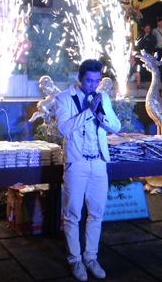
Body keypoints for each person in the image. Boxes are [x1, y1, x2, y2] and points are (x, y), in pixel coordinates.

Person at [56, 59, 121, 281]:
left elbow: (116, 126)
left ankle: (91, 257)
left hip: (99, 162)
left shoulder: (103, 97)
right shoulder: (65, 98)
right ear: (80, 78)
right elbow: (64, 128)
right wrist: (89, 113)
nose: (93, 85)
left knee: (97, 213)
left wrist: (102, 117)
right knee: (72, 213)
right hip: (77, 163)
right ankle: (75, 260)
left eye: (96, 80)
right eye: (89, 81)